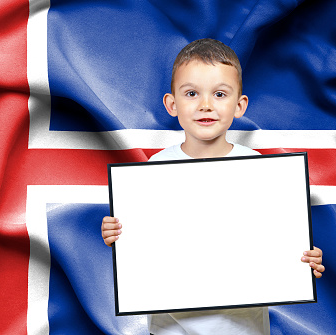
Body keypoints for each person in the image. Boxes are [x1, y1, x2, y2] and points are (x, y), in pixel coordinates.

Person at [101, 38, 325, 335]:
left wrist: (301, 257)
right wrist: (116, 233)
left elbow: (275, 238)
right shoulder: (152, 172)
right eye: (192, 93)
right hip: (172, 329)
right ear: (172, 104)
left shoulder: (259, 171)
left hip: (244, 329)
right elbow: (141, 246)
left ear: (239, 105)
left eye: (220, 94)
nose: (205, 105)